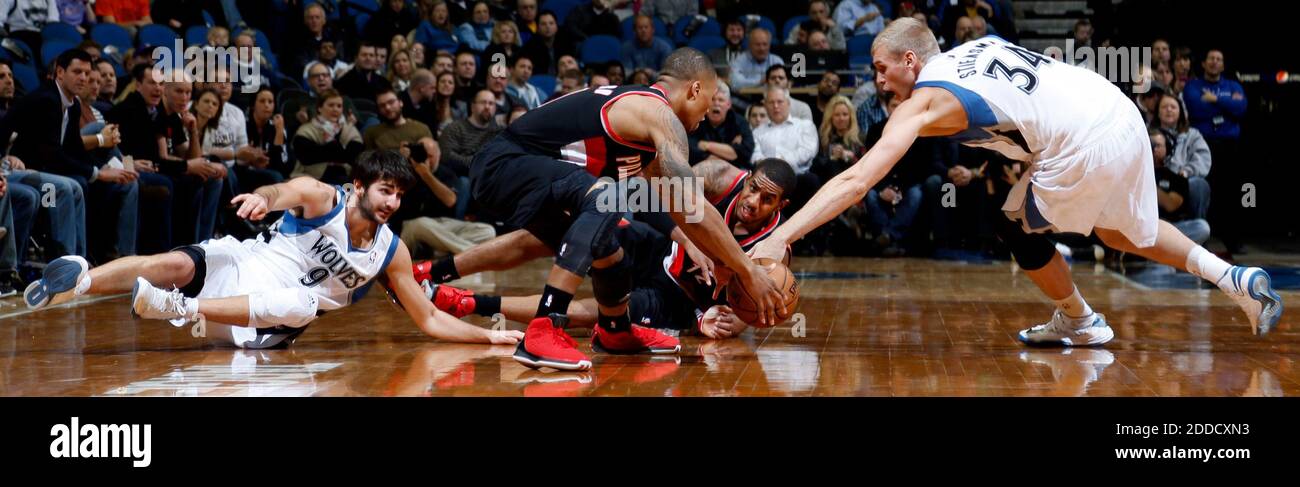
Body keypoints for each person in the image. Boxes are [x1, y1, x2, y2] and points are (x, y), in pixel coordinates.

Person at [748, 19, 1283, 346]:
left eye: (882, 68)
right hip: (1118, 112)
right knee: (1126, 233)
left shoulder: (926, 98)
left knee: (1013, 224)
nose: (879, 79)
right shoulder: (979, 45)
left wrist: (781, 236)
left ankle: (1080, 319)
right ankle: (1234, 279)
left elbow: (859, 177)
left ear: (911, 61)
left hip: (1082, 140)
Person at [462, 48, 783, 370]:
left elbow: (683, 209)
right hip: (506, 164)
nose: (706, 113)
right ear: (694, 89)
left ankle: (614, 332)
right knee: (608, 198)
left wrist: (716, 256)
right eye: (709, 101)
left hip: (523, 176)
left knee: (612, 256)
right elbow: (692, 201)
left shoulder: (644, 123)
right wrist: (747, 269)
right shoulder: (659, 115)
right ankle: (544, 329)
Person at [22, 151, 524, 348]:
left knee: (306, 302)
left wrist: (492, 338)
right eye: (384, 190)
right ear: (357, 187)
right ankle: (78, 280)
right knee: (176, 261)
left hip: (265, 321)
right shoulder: (318, 196)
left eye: (398, 194)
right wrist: (260, 200)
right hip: (246, 266)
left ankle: (177, 306)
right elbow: (278, 192)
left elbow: (430, 319)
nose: (392, 201)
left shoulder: (390, 253)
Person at [424, 158, 796, 339]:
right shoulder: (719, 177)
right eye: (752, 189)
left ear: (781, 207)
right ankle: (433, 272)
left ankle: (466, 302)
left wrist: (723, 321)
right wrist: (684, 235)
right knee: (559, 232)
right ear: (744, 179)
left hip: (680, 302)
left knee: (602, 313)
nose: (752, 202)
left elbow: (747, 316)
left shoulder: (773, 253)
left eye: (767, 199)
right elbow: (650, 187)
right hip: (660, 250)